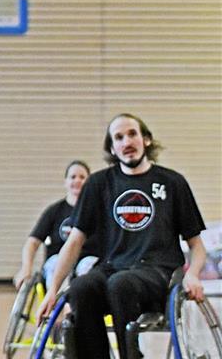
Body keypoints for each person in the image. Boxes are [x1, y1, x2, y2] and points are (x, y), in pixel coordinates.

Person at [37, 114, 207, 359]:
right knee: (81, 287)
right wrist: (53, 289)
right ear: (112, 148)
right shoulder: (98, 184)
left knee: (121, 284)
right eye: (118, 137)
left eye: (132, 134)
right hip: (113, 267)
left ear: (146, 140)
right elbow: (74, 242)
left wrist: (193, 274)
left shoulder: (172, 183)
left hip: (158, 271)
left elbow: (196, 245)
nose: (126, 141)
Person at [13, 160, 99, 291]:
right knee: (57, 264)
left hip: (85, 260)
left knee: (89, 268)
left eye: (82, 177)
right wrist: (26, 267)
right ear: (66, 182)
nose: (77, 180)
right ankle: (58, 304)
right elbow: (32, 243)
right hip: (58, 260)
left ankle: (81, 306)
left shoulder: (96, 211)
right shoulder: (54, 211)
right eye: (73, 177)